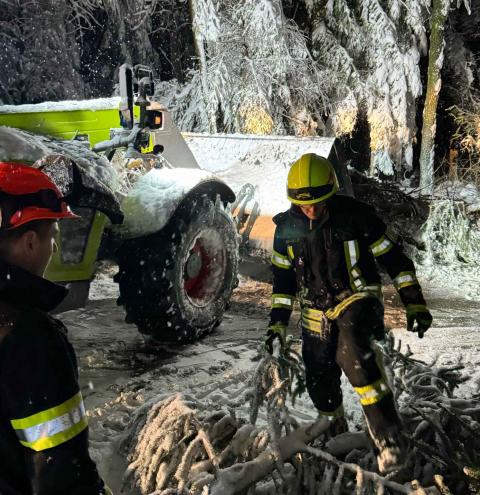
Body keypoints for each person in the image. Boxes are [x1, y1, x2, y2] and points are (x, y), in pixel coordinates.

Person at [264, 153, 432, 474]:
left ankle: (390, 441)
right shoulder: (285, 229)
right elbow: (283, 283)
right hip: (316, 310)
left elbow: (395, 259)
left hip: (358, 299)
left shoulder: (357, 216)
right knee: (318, 375)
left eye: (318, 203)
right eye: (303, 205)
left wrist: (414, 303)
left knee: (354, 354)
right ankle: (336, 430)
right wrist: (277, 325)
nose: (311, 210)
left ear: (331, 193)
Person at [0, 162, 110, 494]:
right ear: (30, 242)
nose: (54, 248)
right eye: (53, 236)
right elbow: (61, 472)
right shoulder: (30, 338)